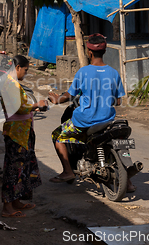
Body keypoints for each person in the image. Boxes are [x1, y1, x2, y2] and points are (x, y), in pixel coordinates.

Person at [48, 34, 135, 192]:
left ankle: (68, 171)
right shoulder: (114, 73)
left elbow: (70, 95)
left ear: (89, 52)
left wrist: (56, 99)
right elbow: (119, 101)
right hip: (107, 119)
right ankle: (127, 182)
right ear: (105, 50)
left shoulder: (83, 72)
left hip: (85, 121)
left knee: (57, 135)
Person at [0, 55, 48, 218]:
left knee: (21, 169)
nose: (26, 74)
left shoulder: (12, 83)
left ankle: (16, 201)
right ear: (18, 67)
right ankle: (7, 207)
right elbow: (19, 108)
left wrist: (33, 108)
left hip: (22, 131)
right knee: (13, 169)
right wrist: (36, 105)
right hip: (15, 133)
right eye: (25, 70)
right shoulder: (10, 84)